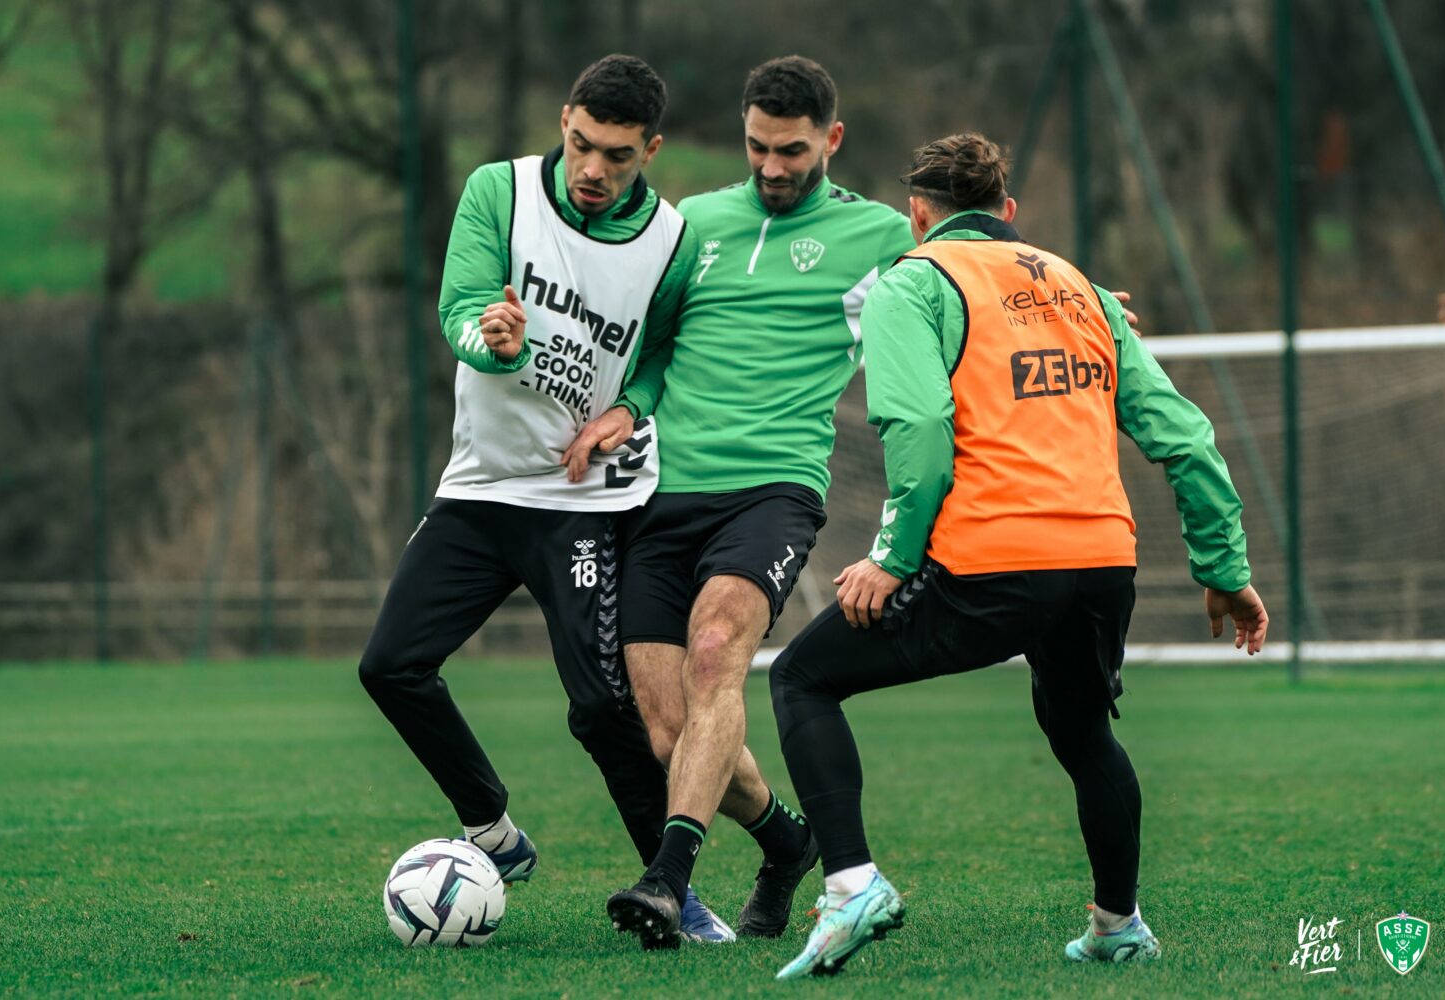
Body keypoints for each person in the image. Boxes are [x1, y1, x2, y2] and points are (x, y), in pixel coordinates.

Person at [767, 131, 1270, 978]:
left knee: (802, 678)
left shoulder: (914, 281)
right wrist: (1225, 570)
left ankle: (851, 886)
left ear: (917, 215)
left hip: (996, 561)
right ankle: (1118, 923)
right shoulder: (1081, 288)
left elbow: (921, 427)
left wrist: (891, 557)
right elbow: (1186, 437)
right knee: (1080, 730)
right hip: (1104, 561)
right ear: (1007, 213)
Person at [357, 54, 735, 943]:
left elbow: (660, 350)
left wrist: (629, 409)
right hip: (482, 488)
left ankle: (673, 894)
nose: (593, 170)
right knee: (390, 667)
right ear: (562, 121)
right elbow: (459, 306)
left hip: (586, 501)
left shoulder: (672, 242)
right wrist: (490, 341)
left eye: (617, 155)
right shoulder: (500, 190)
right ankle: (492, 828)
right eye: (580, 145)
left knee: (606, 709)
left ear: (651, 149)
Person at [570, 56, 918, 950]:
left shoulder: (879, 233)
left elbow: (970, 287)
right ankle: (787, 841)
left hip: (774, 489)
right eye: (758, 146)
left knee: (718, 651)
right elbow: (646, 344)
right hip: (664, 491)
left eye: (792, 150)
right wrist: (625, 409)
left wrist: (1086, 300)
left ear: (832, 141)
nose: (771, 166)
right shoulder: (696, 225)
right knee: (666, 729)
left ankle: (667, 876)